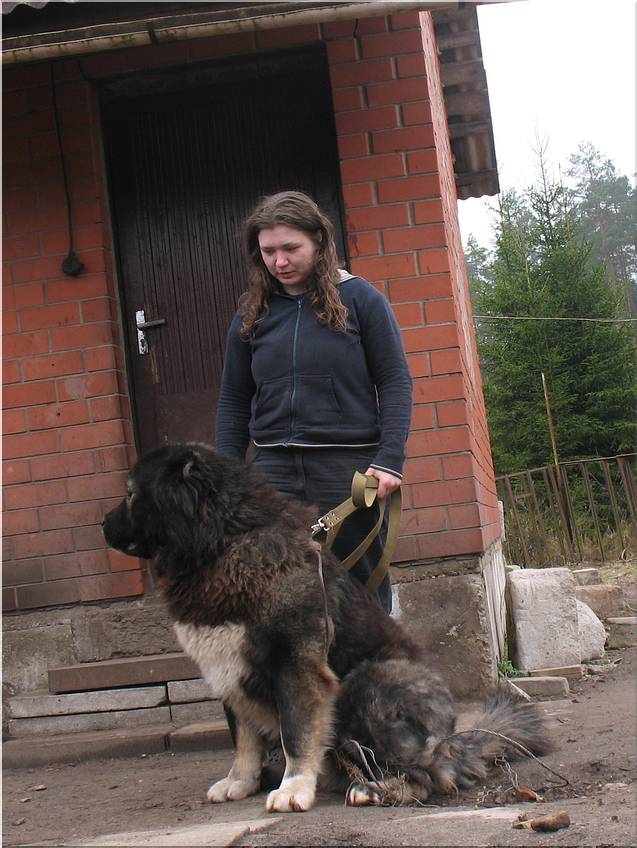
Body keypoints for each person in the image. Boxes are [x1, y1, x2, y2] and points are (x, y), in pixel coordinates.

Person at [215, 190, 412, 613]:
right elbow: (233, 398)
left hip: (346, 468)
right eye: (268, 251)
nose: (279, 262)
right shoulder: (252, 311)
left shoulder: (361, 300)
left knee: (360, 597)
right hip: (271, 470)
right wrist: (226, 475)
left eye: (291, 248)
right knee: (279, 597)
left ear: (319, 240)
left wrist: (389, 459)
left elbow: (395, 381)